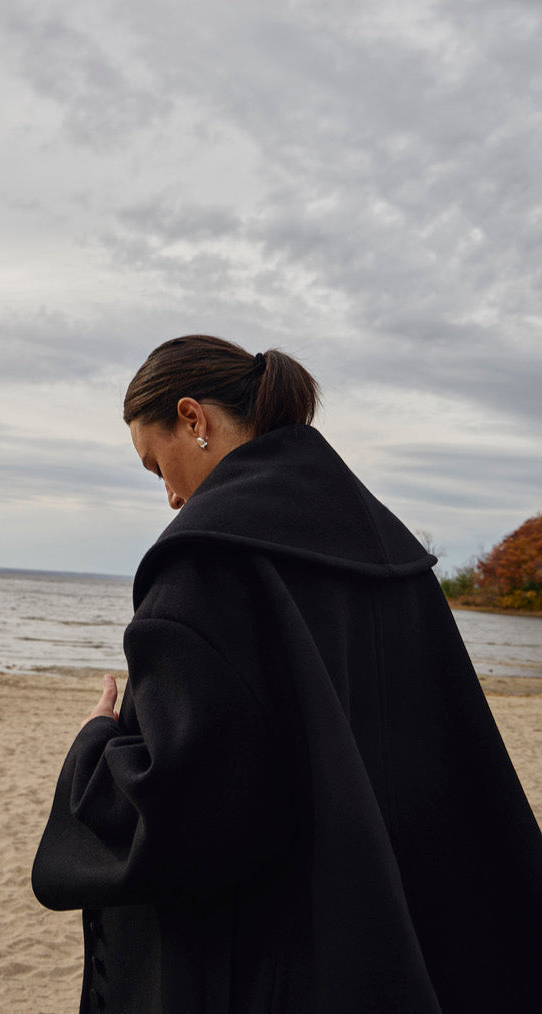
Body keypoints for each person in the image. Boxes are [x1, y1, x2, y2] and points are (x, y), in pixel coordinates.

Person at [33, 335, 541, 1014]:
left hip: (281, 960)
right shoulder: (392, 557)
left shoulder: (207, 566)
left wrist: (94, 748)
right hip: (402, 937)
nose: (171, 498)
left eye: (157, 466)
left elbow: (185, 807)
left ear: (193, 417)